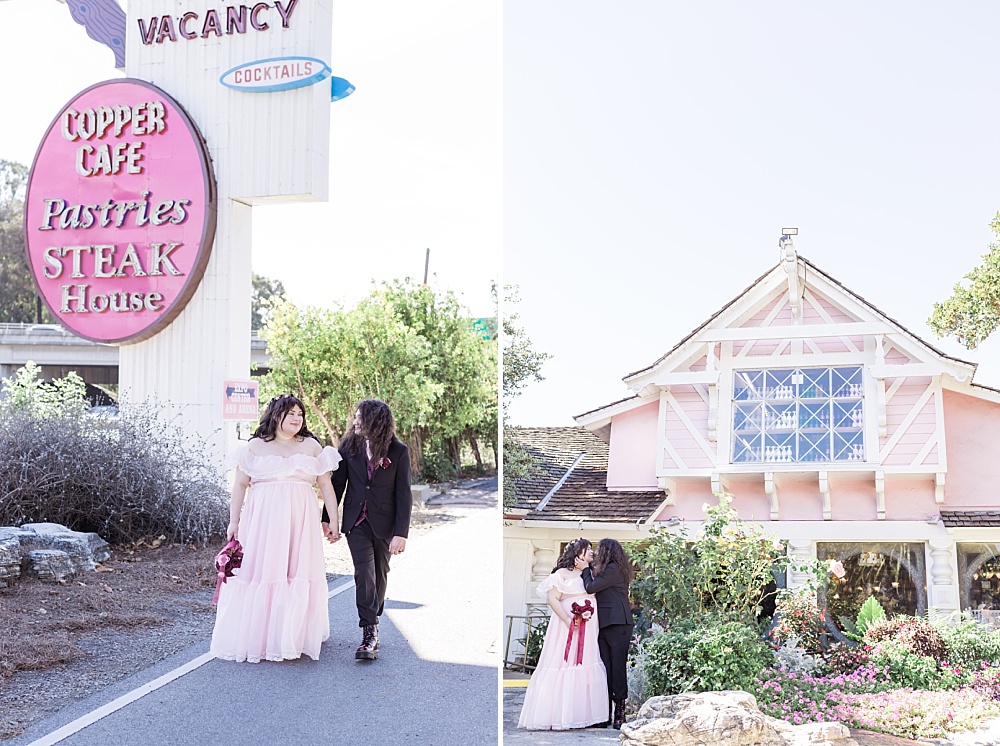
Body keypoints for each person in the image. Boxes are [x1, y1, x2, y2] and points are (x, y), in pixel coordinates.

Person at [211, 394, 342, 663]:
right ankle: (260, 637)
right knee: (263, 571)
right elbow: (239, 486)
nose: (297, 418)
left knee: (296, 571)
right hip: (262, 521)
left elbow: (326, 485)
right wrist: (233, 521)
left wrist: (333, 519)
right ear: (275, 415)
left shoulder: (312, 446)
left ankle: (292, 637)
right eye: (290, 413)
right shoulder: (255, 446)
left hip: (300, 519)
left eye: (300, 414)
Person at [321, 399, 412, 660]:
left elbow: (404, 495)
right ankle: (368, 631)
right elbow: (337, 485)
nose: (355, 422)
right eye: (356, 417)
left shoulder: (398, 451)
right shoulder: (349, 447)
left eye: (360, 418)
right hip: (356, 522)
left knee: (380, 573)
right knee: (364, 572)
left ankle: (374, 616)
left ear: (375, 420)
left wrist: (401, 533)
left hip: (385, 523)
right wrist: (327, 518)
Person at [518, 538, 609, 730]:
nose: (591, 552)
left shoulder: (592, 574)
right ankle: (558, 715)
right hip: (566, 626)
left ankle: (584, 715)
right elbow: (553, 599)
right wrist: (568, 620)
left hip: (589, 626)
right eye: (588, 549)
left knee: (586, 661)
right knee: (563, 662)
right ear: (577, 554)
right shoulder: (561, 574)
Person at [581, 538, 635, 728]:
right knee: (604, 668)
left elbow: (590, 588)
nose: (596, 553)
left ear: (607, 552)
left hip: (619, 623)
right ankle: (604, 714)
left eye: (599, 550)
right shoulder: (608, 570)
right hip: (604, 624)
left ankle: (620, 713)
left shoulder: (613, 569)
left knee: (617, 668)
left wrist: (586, 569)